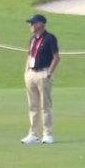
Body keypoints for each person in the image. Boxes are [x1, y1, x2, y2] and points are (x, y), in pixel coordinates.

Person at [20, 13, 60, 144]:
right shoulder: (32, 39)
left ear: (41, 24)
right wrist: (26, 72)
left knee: (45, 106)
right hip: (31, 74)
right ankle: (33, 134)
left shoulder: (49, 38)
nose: (30, 25)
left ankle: (48, 134)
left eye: (33, 23)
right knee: (32, 106)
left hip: (43, 73)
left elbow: (56, 57)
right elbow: (29, 56)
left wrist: (49, 73)